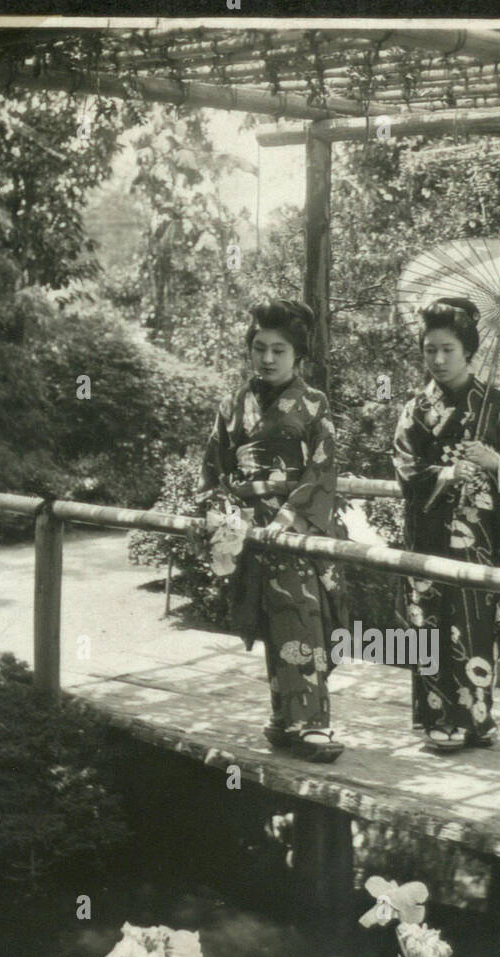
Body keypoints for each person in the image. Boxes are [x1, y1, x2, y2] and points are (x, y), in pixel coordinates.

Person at [392, 296, 500, 752]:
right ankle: (438, 717)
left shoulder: (497, 406)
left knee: (474, 624)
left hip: (480, 538)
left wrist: (497, 460)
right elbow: (405, 469)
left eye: (448, 350)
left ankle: (477, 716)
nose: (437, 359)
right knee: (431, 624)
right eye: (429, 349)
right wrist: (446, 473)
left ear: (468, 351)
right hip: (430, 534)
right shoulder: (415, 409)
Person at [201, 298, 345, 762]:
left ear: (297, 356)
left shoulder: (313, 403)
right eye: (259, 347)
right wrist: (224, 509)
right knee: (267, 615)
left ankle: (313, 723)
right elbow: (213, 471)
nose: (266, 358)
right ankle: (284, 717)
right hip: (247, 524)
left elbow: (324, 468)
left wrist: (291, 516)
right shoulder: (231, 405)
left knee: (302, 616)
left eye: (278, 350)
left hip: (296, 523)